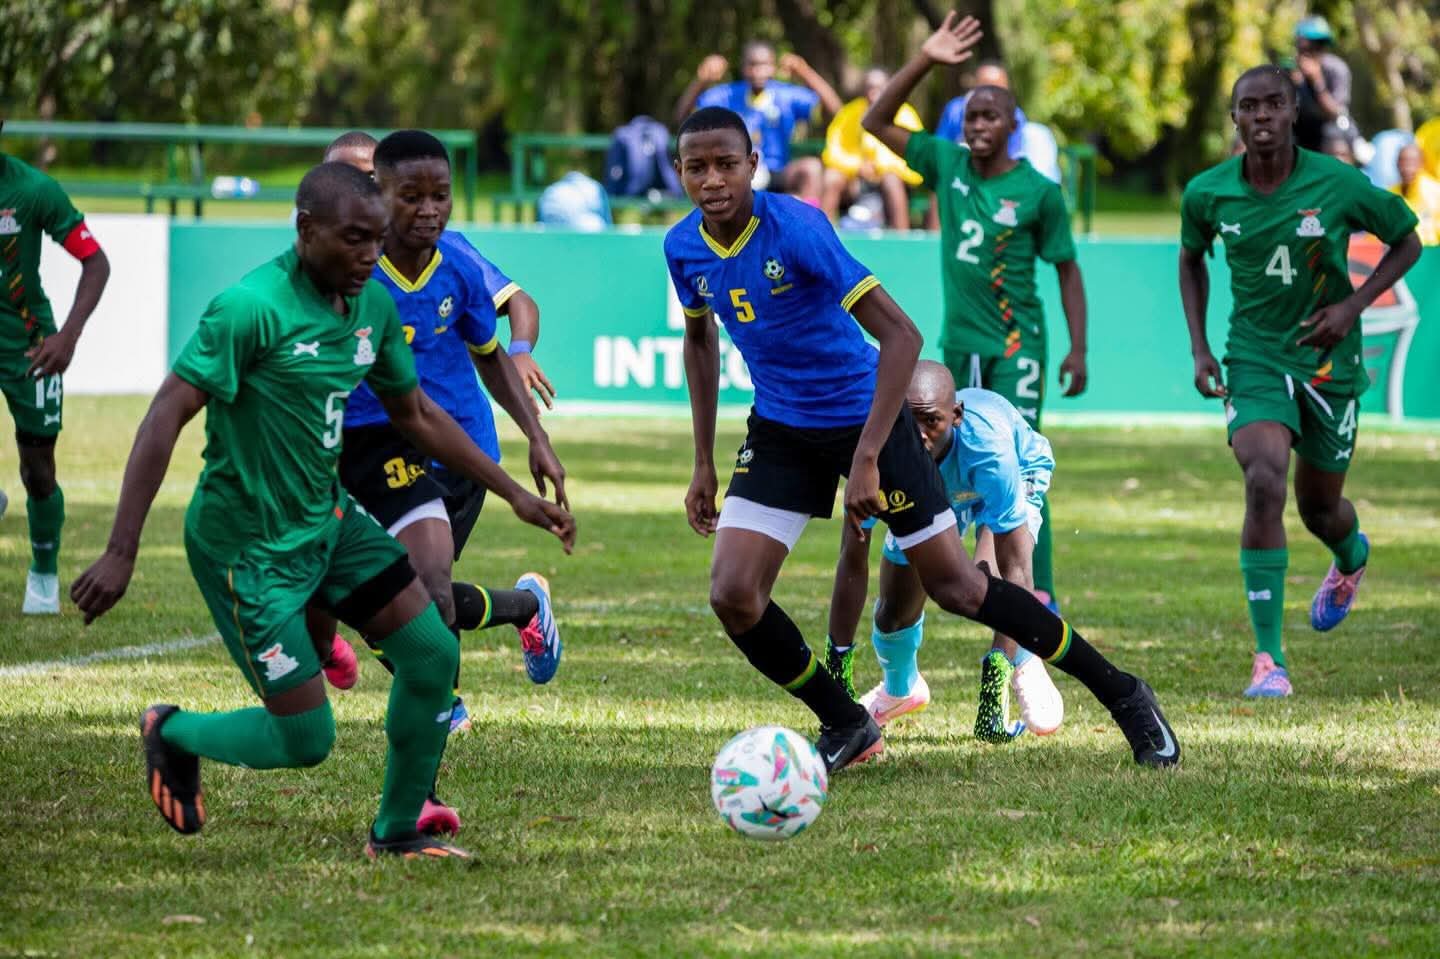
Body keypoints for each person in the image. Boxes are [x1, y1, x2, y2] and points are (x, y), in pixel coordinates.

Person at [69, 162, 576, 858]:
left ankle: (397, 832)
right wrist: (121, 550)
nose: (370, 256)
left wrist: (514, 489)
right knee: (307, 740)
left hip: (330, 522)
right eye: (353, 240)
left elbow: (417, 413)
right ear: (306, 231)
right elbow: (165, 416)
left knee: (432, 652)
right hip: (247, 548)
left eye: (377, 239)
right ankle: (172, 730)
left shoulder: (368, 306)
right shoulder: (250, 307)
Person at [666, 103, 1180, 773]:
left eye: (726, 164)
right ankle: (846, 720)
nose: (712, 180)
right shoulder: (682, 247)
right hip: (782, 427)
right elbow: (700, 341)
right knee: (732, 593)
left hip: (865, 416)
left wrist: (870, 455)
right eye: (696, 167)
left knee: (960, 588)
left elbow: (902, 336)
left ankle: (1123, 693)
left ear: (753, 165)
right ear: (679, 171)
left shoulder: (796, 228)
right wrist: (704, 461)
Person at [313, 130, 568, 836]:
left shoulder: (454, 261)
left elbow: (506, 327)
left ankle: (424, 760)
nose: (425, 209)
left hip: (454, 450)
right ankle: (518, 610)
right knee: (397, 604)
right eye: (409, 196)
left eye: (437, 196)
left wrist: (532, 432)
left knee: (416, 599)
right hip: (368, 446)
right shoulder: (340, 267)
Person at [1178, 65, 1419, 698]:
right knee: (1263, 478)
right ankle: (1268, 660)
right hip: (1254, 356)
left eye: (1273, 105)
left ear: (1293, 112)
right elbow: (1191, 256)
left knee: (1320, 510)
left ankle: (1351, 556)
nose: (1260, 117)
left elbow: (1407, 238)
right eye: (1248, 107)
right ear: (1234, 118)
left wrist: (1352, 307)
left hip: (1329, 364)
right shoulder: (1208, 193)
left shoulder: (1336, 183)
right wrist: (1201, 347)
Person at [861, 14, 1087, 619]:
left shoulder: (1038, 191)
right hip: (957, 346)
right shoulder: (947, 165)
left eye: (990, 116)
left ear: (1014, 125)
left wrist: (1078, 347)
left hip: (1018, 348)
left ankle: (1036, 589)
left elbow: (1066, 267)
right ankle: (942, 573)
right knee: (931, 457)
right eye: (970, 117)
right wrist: (927, 60)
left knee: (1019, 465)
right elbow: (874, 121)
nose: (978, 126)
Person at [826, 363, 1064, 742]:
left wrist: (994, 677)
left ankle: (1022, 658)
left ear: (956, 417)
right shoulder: (879, 456)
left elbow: (1016, 567)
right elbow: (852, 561)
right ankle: (900, 691)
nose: (919, 435)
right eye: (909, 421)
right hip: (932, 486)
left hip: (1011, 472)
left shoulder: (991, 453)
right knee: (893, 609)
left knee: (987, 579)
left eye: (932, 421)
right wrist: (836, 665)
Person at [323, 132, 556, 412]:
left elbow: (517, 300)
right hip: (376, 434)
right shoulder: (321, 266)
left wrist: (519, 352)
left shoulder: (446, 250)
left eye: (369, 177)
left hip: (457, 424)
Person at [0, 121, 111, 613]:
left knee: (37, 472)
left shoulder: (32, 190)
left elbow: (96, 262)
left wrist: (67, 336)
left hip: (28, 346)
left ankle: (43, 570)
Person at [674, 41, 843, 202]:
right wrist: (702, 81)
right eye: (752, 65)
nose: (758, 71)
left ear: (773, 67)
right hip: (738, 172)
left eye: (764, 65)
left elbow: (835, 111)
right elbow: (682, 117)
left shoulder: (786, 95)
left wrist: (805, 72)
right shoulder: (726, 95)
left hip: (777, 171)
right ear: (743, 67)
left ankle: (808, 225)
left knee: (811, 168)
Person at [820, 67, 924, 229]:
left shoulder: (905, 114)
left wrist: (880, 167)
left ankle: (902, 240)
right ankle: (822, 238)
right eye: (869, 87)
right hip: (855, 181)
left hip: (892, 181)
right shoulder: (848, 114)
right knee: (832, 177)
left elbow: (916, 159)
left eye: (880, 88)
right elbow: (833, 153)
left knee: (891, 181)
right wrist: (857, 167)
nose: (873, 93)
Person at [1291, 16, 1354, 153]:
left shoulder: (1336, 69)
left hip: (1332, 129)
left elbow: (1335, 113)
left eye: (1318, 47)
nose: (1311, 53)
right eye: (1305, 49)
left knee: (1335, 139)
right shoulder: (1292, 72)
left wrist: (1317, 82)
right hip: (1304, 132)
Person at [1392, 143, 1440, 245]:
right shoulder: (1389, 195)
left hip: (1431, 255)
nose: (1407, 168)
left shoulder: (1436, 192)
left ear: (1422, 164)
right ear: (1396, 164)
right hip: (1397, 253)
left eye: (1412, 162)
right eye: (1403, 161)